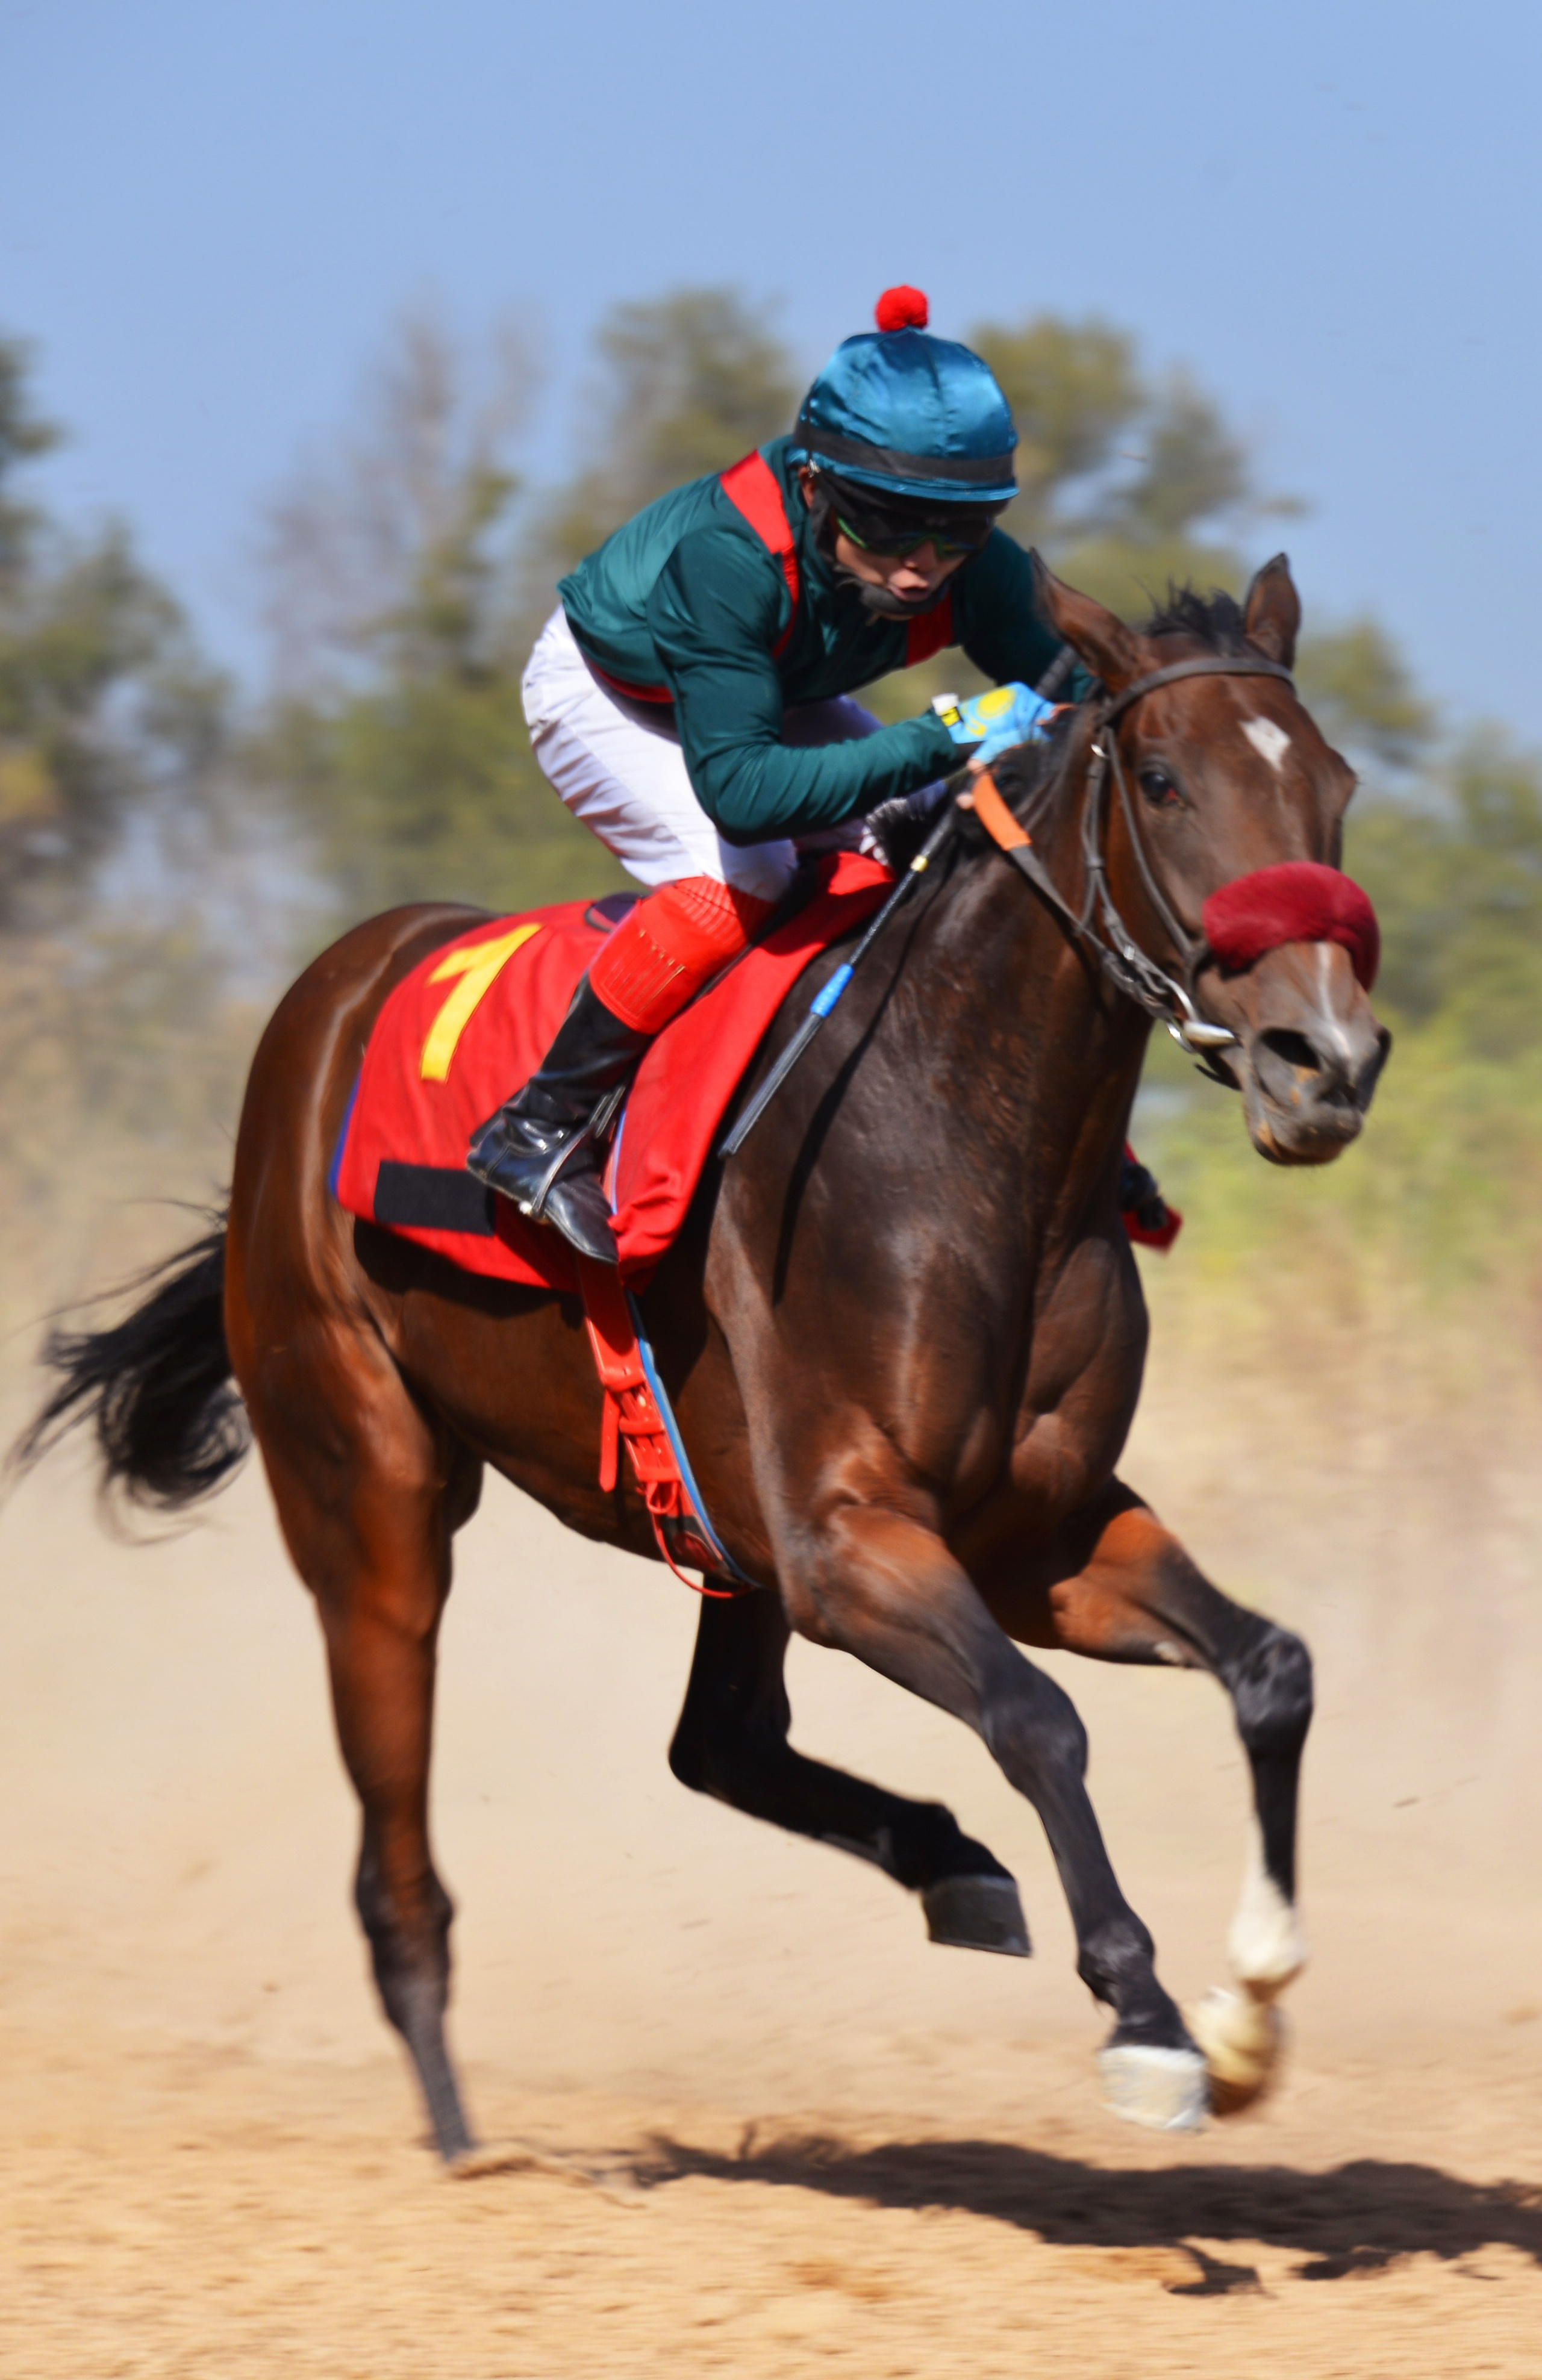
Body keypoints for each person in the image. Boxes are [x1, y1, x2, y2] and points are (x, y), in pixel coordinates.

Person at [467, 287, 1080, 1262]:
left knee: (933, 828)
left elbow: (1089, 686)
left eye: (956, 532)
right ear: (819, 487)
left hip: (769, 681)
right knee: (739, 883)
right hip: (613, 690)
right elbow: (746, 801)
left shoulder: (972, 566)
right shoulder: (729, 558)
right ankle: (539, 1124)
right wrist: (951, 730)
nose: (923, 569)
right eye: (889, 528)